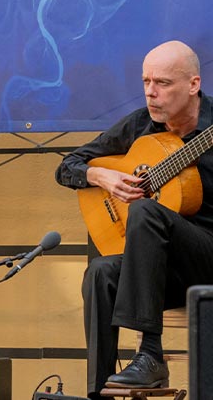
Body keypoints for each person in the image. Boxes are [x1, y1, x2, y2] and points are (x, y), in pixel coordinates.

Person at [56, 41, 213, 397]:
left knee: (145, 209)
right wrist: (102, 177)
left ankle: (150, 354)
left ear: (193, 84)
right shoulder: (142, 124)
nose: (150, 93)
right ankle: (98, 390)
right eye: (145, 82)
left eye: (162, 83)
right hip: (160, 272)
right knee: (100, 272)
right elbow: (67, 166)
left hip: (206, 259)